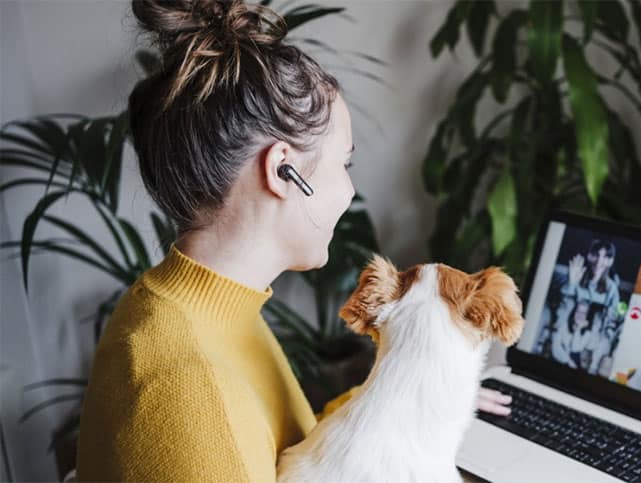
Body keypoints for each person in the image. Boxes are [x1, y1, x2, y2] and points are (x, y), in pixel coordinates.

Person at [75, 1, 509, 481]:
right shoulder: (187, 388)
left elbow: (278, 447)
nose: (349, 191)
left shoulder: (194, 314)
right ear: (282, 170)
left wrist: (417, 403)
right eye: (344, 163)